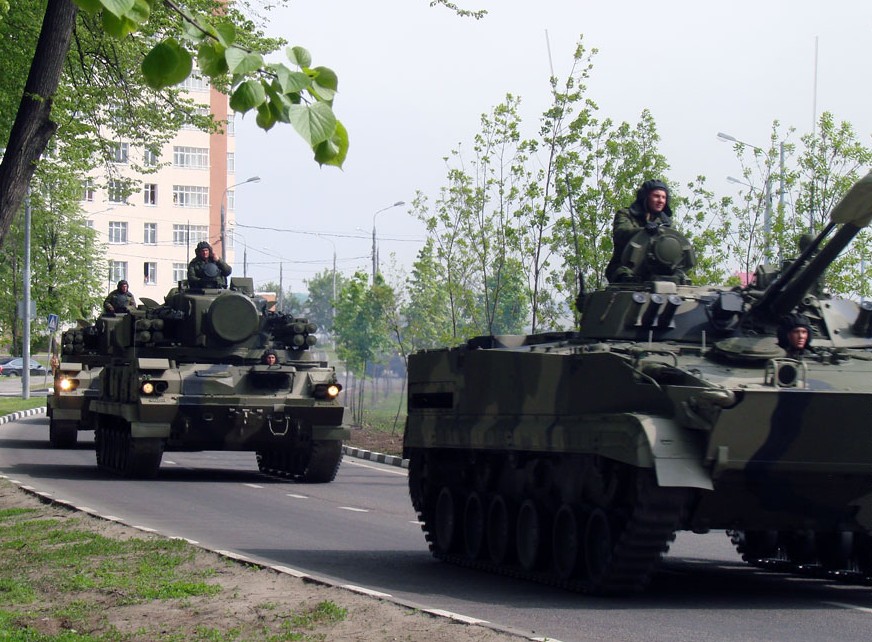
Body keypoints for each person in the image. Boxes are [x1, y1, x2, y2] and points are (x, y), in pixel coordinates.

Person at [606, 179, 673, 283]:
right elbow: (621, 233)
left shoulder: (665, 223)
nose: (661, 200)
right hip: (625, 268)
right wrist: (644, 231)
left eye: (664, 197)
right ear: (645, 197)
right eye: (656, 196)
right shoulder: (626, 214)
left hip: (654, 272)